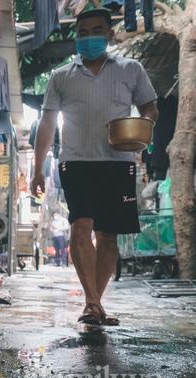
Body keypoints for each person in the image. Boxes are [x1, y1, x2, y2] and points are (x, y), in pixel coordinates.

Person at [30, 9, 158, 325]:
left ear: (110, 34)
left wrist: (140, 130)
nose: (89, 37)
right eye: (83, 32)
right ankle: (90, 301)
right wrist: (37, 168)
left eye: (96, 30)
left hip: (118, 163)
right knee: (81, 225)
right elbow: (47, 124)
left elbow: (150, 108)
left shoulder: (132, 70)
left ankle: (96, 303)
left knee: (108, 236)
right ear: (76, 37)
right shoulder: (61, 76)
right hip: (75, 162)